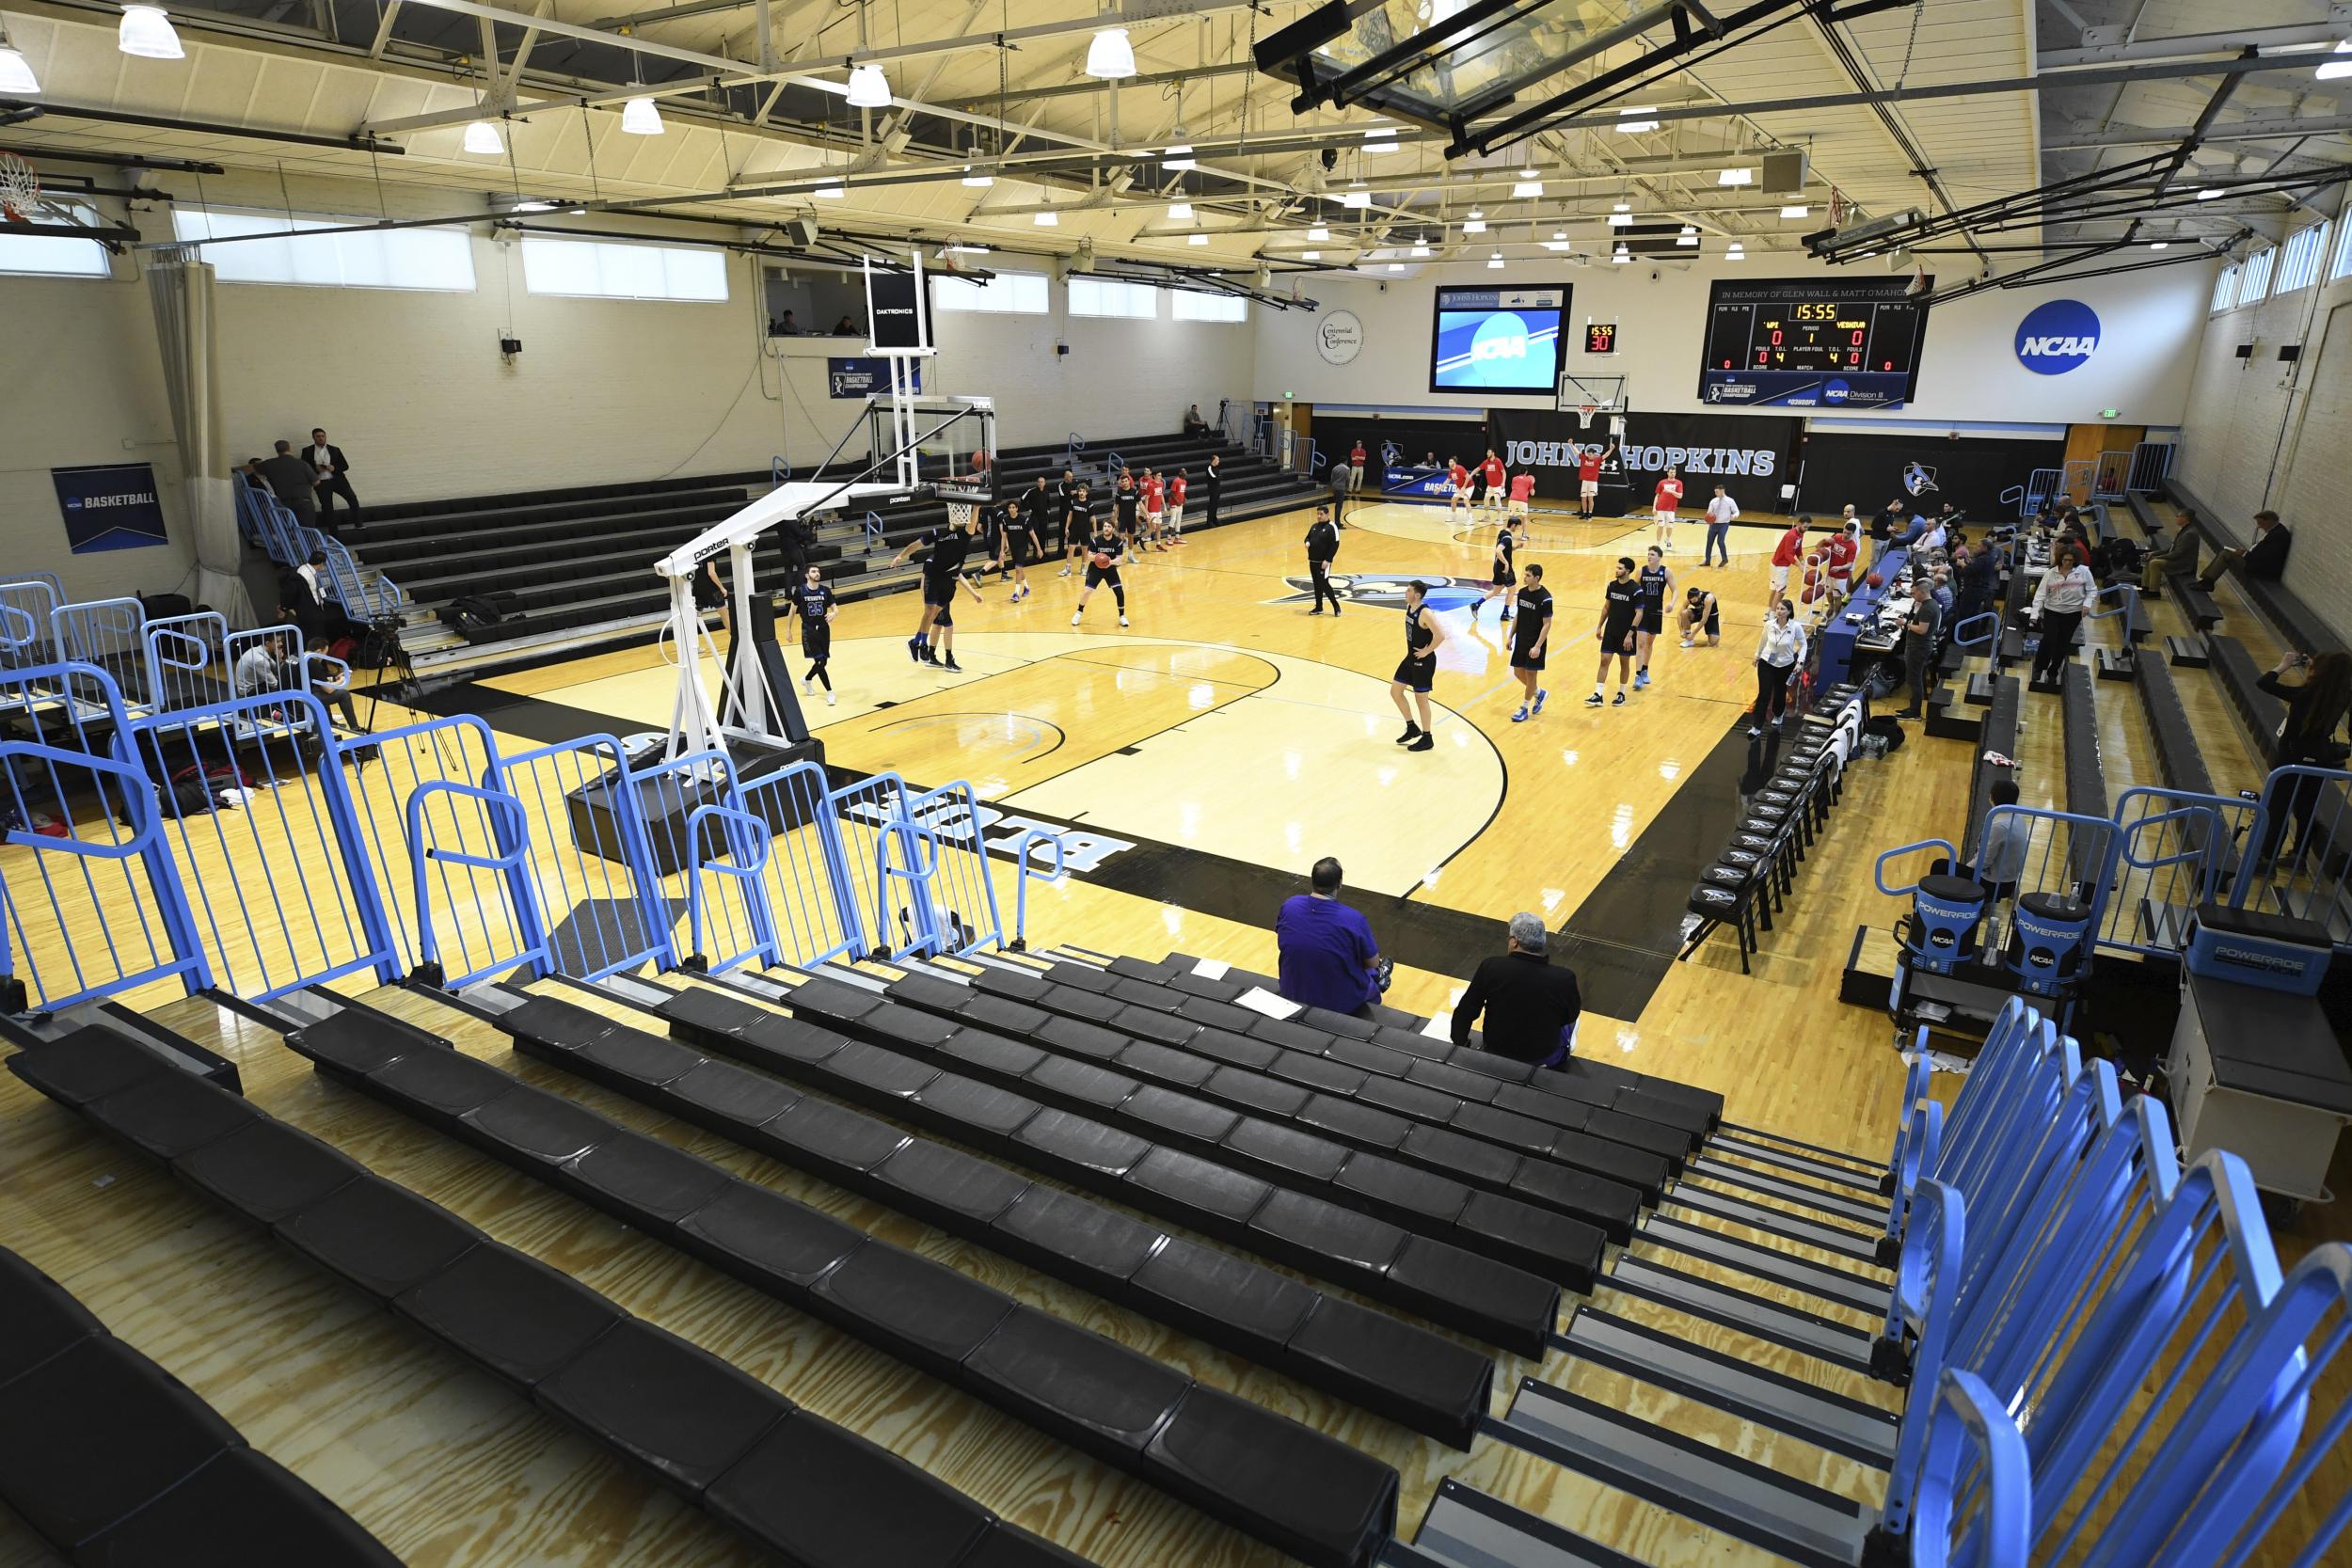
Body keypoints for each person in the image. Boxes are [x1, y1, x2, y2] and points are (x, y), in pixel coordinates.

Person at [2253, 651, 2352, 866]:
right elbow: (2335, 680)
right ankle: (2299, 856)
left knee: (2279, 806)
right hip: (2320, 756)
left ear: (2320, 671)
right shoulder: (2343, 695)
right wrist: (2314, 665)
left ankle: (2266, 857)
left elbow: (2264, 683)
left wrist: (2283, 665)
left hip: (2292, 755)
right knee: (2305, 808)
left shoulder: (2306, 693)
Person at [1449, 911, 1581, 1066]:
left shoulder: (1491, 967)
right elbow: (1569, 1016)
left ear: (1514, 942)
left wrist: (1461, 1043)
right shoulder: (1564, 978)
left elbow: (1465, 1011)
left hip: (1495, 1050)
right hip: (1540, 1057)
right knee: (1571, 1021)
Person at [1275, 858, 1384, 1018]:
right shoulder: (1353, 918)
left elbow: (1288, 938)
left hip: (1291, 989)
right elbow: (1372, 962)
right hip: (1338, 1002)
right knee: (1372, 969)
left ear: (1313, 880)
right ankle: (1380, 978)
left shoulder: (1290, 905)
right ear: (1339, 884)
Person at [889, 509, 983, 671]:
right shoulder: (938, 533)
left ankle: (915, 642)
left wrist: (976, 507)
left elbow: (973, 523)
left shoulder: (965, 534)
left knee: (933, 615)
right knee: (930, 612)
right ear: (952, 515)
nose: (961, 517)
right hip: (935, 579)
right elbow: (917, 544)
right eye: (958, 514)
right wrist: (901, 555)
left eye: (964, 516)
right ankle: (923, 645)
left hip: (950, 583)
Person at [1390, 579, 1447, 752]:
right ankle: (1411, 727)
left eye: (1408, 590)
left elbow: (1441, 635)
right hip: (1410, 657)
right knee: (1395, 691)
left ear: (1417, 595)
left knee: (1421, 700)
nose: (1405, 593)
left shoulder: (1426, 613)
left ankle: (1427, 737)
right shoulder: (1410, 607)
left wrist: (1427, 651)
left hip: (1423, 661)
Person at [2028, 541, 2095, 687]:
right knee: (2048, 639)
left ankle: (2053, 671)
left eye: (2071, 561)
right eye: (2065, 560)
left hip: (2073, 613)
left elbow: (2092, 590)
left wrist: (2087, 604)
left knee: (2063, 644)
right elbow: (2040, 595)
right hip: (2052, 611)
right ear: (2060, 559)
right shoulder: (2050, 573)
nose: (2067, 563)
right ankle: (2039, 667)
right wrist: (2034, 614)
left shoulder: (2084, 571)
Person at [1587, 556, 1641, 707]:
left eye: (1620, 568)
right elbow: (1607, 607)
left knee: (1624, 662)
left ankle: (1621, 693)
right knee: (1604, 660)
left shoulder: (1635, 590)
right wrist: (1599, 626)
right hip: (1611, 630)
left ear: (1628, 571)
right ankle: (1598, 694)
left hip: (1626, 634)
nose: (1616, 570)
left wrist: (1630, 634)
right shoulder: (1612, 586)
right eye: (1617, 567)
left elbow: (1639, 613)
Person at [2198, 508, 2292, 589]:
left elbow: (2267, 557)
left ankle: (2207, 582)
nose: (2259, 526)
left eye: (2260, 523)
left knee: (2225, 554)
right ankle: (2207, 581)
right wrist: (2245, 553)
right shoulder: (2275, 531)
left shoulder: (2278, 535)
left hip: (2263, 569)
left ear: (2269, 521)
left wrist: (2245, 554)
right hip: (2256, 561)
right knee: (2225, 552)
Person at [1752, 597, 1806, 736]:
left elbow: (1803, 644)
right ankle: (1756, 727)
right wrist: (1757, 655)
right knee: (1764, 693)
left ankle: (1778, 714)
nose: (1779, 611)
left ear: (1789, 612)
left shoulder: (1795, 627)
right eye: (1777, 608)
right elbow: (1763, 640)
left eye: (1783, 609)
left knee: (1780, 691)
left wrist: (1800, 661)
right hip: (1767, 662)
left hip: (1786, 664)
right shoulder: (1769, 624)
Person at [786, 564, 839, 705]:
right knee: (820, 662)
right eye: (813, 571)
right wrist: (788, 630)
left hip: (824, 629)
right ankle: (830, 693)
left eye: (818, 571)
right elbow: (792, 611)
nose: (817, 574)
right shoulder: (800, 591)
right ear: (807, 575)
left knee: (823, 661)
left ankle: (807, 679)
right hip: (809, 630)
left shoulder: (825, 591)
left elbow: (835, 608)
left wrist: (834, 613)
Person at [1973, 777, 2030, 909]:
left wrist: (1964, 868)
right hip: (2010, 878)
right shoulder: (2018, 818)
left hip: (1993, 883)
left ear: (1993, 797)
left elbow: (1984, 861)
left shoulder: (1999, 825)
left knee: (1942, 866)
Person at [1509, 562, 1552, 722]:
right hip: (1521, 639)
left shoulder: (1545, 598)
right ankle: (1539, 693)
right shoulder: (1522, 593)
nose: (1524, 578)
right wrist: (1510, 636)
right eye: (1524, 574)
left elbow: (1547, 624)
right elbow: (1519, 615)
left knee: (1531, 675)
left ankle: (1524, 708)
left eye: (1528, 575)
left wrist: (1538, 646)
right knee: (1517, 672)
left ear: (1537, 578)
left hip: (1535, 643)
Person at [1071, 513, 1130, 627]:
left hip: (1110, 569)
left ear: (1113, 529)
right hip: (1095, 569)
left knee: (1119, 592)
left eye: (1108, 526)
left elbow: (1119, 560)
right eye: (1105, 526)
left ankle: (1122, 616)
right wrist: (1099, 558)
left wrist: (1108, 562)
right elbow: (1089, 556)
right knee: (1087, 591)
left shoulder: (1118, 542)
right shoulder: (1095, 541)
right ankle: (1078, 613)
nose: (1106, 528)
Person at [1894, 576, 1942, 720]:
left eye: (1914, 593)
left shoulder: (1927, 608)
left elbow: (1922, 630)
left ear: (1922, 592)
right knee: (1913, 679)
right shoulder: (1930, 604)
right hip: (1918, 646)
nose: (1913, 596)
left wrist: (1905, 623)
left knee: (1914, 680)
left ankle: (1915, 712)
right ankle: (1913, 709)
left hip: (1918, 648)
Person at [257, 440, 322, 533]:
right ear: (289, 448)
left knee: (291, 531)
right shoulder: (302, 464)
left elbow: (254, 468)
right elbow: (316, 482)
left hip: (284, 503)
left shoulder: (269, 464)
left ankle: (295, 547)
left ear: (276, 450)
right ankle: (310, 547)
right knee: (308, 531)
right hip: (304, 501)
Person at [1633, 545, 1673, 689]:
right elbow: (1633, 588)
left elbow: (1675, 590)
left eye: (1652, 554)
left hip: (1656, 611)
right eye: (1648, 554)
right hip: (1643, 611)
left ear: (1659, 557)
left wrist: (1672, 603)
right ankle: (1637, 675)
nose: (1649, 556)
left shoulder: (1666, 572)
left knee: (1649, 643)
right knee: (1641, 643)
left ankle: (1645, 670)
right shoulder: (1641, 571)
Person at [306, 428, 358, 527]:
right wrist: (317, 470)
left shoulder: (335, 449)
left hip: (338, 480)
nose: (321, 438)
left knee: (352, 498)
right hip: (321, 482)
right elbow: (305, 468)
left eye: (323, 436)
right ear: (313, 438)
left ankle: (358, 523)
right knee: (327, 506)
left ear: (326, 437)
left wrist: (334, 468)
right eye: (318, 436)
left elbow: (345, 466)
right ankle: (333, 530)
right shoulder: (307, 451)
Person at [2142, 515, 2201, 593]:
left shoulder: (2189, 534)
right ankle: (2145, 587)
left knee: (2154, 563)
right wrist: (2153, 553)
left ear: (2185, 518)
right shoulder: (2184, 530)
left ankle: (2154, 592)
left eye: (2179, 516)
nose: (2176, 518)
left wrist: (2158, 557)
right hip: (2177, 559)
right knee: (2148, 558)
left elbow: (2177, 554)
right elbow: (2170, 549)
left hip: (2183, 564)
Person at [1304, 504, 1342, 615]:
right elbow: (1308, 537)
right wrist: (1307, 542)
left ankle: (1336, 605)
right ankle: (1319, 607)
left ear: (1327, 514)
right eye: (1318, 514)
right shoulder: (1314, 526)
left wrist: (1328, 560)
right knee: (1316, 584)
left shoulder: (1331, 527)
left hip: (1323, 562)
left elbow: (1335, 544)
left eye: (1321, 514)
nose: (1319, 516)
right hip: (1312, 561)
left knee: (1324, 584)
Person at [1767, 515, 1807, 608]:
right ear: (1799, 524)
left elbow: (1798, 549)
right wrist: (1799, 565)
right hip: (1780, 566)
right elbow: (1788, 554)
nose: (1806, 529)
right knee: (1780, 592)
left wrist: (1802, 561)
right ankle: (1773, 614)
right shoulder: (1791, 535)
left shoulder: (1801, 534)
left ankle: (1768, 611)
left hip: (1776, 564)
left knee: (1775, 590)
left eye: (1808, 527)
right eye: (1805, 527)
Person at [1484, 523, 1518, 623]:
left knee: (1496, 591)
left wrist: (1516, 547)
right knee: (1512, 590)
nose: (1518, 529)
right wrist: (1506, 563)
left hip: (1497, 567)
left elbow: (1505, 548)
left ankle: (1476, 605)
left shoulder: (1502, 533)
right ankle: (1505, 613)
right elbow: (1498, 551)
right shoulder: (1507, 537)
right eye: (1518, 526)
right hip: (1504, 569)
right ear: (1514, 525)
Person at [1575, 439, 1614, 520]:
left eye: (1590, 454)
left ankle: (1590, 513)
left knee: (1590, 498)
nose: (1589, 456)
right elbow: (1576, 452)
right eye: (1588, 454)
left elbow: (1605, 455)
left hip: (1593, 482)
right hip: (1585, 481)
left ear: (1593, 455)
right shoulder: (1584, 458)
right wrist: (1571, 444)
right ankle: (1584, 513)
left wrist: (1611, 449)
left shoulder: (1597, 460)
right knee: (1583, 498)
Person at [1702, 484, 1738, 568]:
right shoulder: (1713, 501)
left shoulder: (1730, 501)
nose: (1715, 494)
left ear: (1722, 491)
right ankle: (1707, 561)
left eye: (1717, 492)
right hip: (1713, 525)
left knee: (1720, 542)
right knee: (1709, 542)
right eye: (1715, 492)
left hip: (1723, 525)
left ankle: (1725, 559)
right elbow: (1709, 512)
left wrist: (1735, 515)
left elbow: (1737, 511)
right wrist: (1708, 517)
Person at [1825, 519, 1860, 605]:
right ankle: (1831, 609)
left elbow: (1849, 564)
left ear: (1853, 533)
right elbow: (1825, 546)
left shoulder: (1852, 547)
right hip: (1830, 573)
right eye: (1844, 532)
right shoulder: (1836, 537)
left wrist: (1839, 568)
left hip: (1841, 576)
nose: (1845, 535)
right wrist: (1823, 541)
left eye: (1848, 533)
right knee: (1828, 594)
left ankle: (1836, 613)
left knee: (1837, 597)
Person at [1651, 465, 1684, 551]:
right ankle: (1658, 544)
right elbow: (1657, 495)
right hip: (1660, 508)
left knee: (1670, 526)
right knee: (1660, 526)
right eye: (1671, 472)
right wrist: (1654, 508)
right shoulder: (1662, 482)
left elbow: (1680, 496)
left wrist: (1671, 491)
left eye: (1674, 472)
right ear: (1667, 473)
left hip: (1671, 509)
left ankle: (1668, 539)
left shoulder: (1679, 483)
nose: (1673, 474)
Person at [1678, 584, 1721, 648]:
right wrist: (1682, 630)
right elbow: (1679, 615)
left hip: (1710, 616)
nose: (1692, 601)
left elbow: (1704, 619)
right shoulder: (1689, 599)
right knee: (1684, 613)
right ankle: (1689, 640)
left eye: (1693, 600)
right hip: (1699, 613)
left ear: (1698, 596)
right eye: (1690, 600)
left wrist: (1693, 634)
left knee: (1713, 643)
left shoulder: (1708, 599)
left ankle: (1691, 636)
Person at [1479, 450, 1507, 523]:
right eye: (1487, 452)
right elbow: (1478, 468)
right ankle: (1487, 516)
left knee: (1497, 501)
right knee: (1485, 500)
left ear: (1493, 453)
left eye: (1489, 452)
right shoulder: (1486, 462)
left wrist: (1503, 482)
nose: (1487, 453)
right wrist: (1471, 475)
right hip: (1490, 486)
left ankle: (1500, 519)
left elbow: (1504, 472)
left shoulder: (1498, 461)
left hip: (1498, 486)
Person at [1507, 467, 1535, 533]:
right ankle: (1524, 535)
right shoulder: (1529, 480)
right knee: (1524, 518)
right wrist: (1532, 485)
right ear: (1526, 472)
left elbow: (1513, 488)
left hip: (1512, 499)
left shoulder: (1514, 478)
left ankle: (1508, 533)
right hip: (1522, 501)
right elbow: (1532, 493)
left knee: (1510, 516)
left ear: (1519, 472)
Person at [1166, 467, 1188, 545]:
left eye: (1185, 471)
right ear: (1180, 473)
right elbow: (1172, 493)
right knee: (1173, 519)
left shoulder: (1185, 482)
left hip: (1180, 504)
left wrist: (1184, 498)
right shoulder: (1176, 480)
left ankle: (1177, 537)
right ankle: (1168, 537)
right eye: (1183, 472)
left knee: (1179, 520)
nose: (1185, 473)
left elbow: (1182, 492)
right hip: (1174, 504)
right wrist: (1177, 501)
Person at [1447, 455, 1473, 519]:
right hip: (1460, 488)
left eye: (1451, 461)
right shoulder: (1451, 471)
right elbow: (1447, 481)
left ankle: (1470, 518)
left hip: (1469, 486)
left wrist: (1464, 487)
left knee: (1466, 500)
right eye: (1449, 462)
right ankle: (1454, 516)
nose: (1449, 463)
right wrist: (1439, 489)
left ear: (1454, 463)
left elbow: (1468, 477)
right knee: (1453, 500)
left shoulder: (1460, 468)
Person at [1328, 456, 1351, 528]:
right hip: (1341, 488)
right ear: (1345, 461)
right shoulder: (1347, 469)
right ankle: (1337, 523)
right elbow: (1348, 479)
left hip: (1335, 487)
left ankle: (1337, 521)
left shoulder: (1335, 468)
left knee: (1337, 505)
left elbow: (1332, 479)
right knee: (1339, 505)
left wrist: (1332, 487)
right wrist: (1347, 487)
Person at [1202, 453, 1222, 531]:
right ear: (1213, 460)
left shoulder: (1217, 468)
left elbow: (1219, 477)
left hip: (1217, 489)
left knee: (1216, 504)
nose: (1218, 461)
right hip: (1212, 489)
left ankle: (1214, 518)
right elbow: (1214, 478)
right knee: (1211, 505)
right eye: (1217, 460)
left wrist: (1218, 478)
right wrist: (1218, 478)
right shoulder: (1209, 468)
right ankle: (1209, 521)